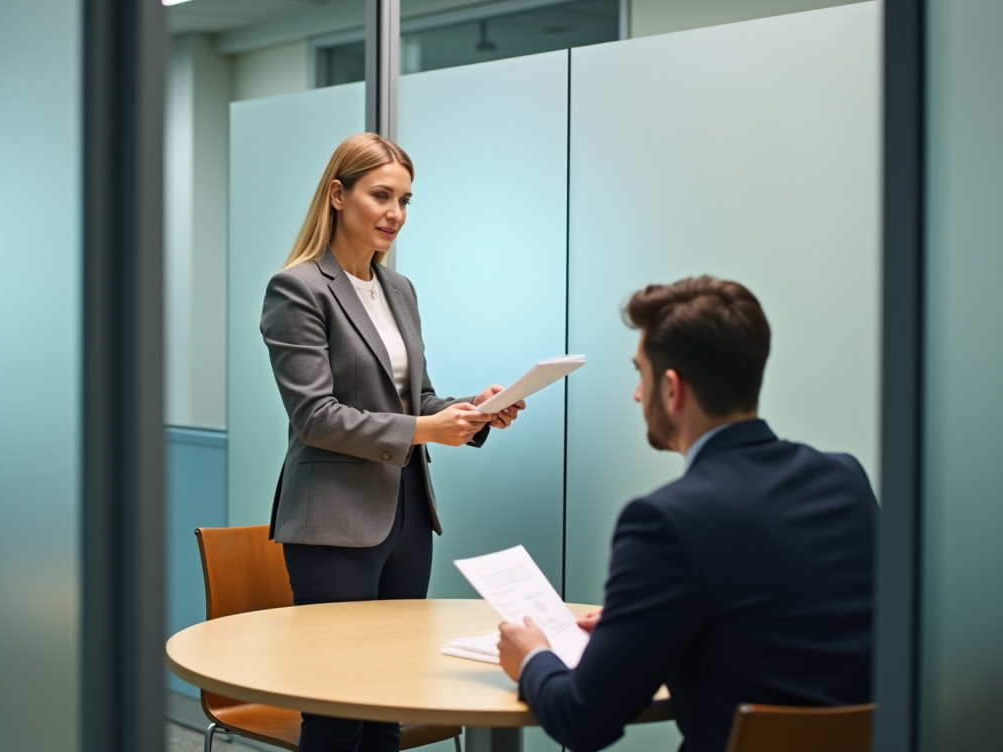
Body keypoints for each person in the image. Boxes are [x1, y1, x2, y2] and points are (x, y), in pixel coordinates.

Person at [497, 276, 877, 752]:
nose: (638, 395)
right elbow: (779, 618)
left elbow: (582, 720)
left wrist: (532, 658)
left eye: (641, 374)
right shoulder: (845, 479)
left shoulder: (665, 521)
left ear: (672, 389)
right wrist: (642, 618)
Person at [260, 132, 525, 752]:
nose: (395, 214)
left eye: (406, 201)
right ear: (336, 194)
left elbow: (417, 399)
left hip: (407, 513)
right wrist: (422, 429)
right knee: (335, 707)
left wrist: (473, 412)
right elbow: (315, 416)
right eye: (381, 196)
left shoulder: (399, 290)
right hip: (333, 522)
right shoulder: (298, 288)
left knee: (389, 703)